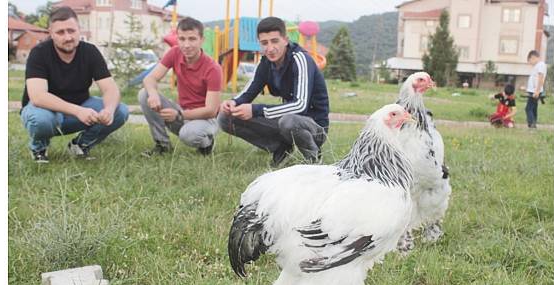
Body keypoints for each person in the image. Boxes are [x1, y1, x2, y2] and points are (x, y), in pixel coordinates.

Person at [20, 6, 128, 163]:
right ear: (51, 33)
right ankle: (39, 148)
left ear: (79, 29)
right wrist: (78, 111)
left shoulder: (90, 52)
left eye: (71, 31)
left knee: (120, 111)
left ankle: (80, 145)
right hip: (46, 112)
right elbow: (38, 97)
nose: (68, 37)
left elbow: (110, 88)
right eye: (60, 32)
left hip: (79, 107)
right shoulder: (39, 53)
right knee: (41, 120)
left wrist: (109, 110)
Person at [217, 16, 330, 167]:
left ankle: (313, 158)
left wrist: (255, 110)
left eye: (275, 41)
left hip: (314, 127)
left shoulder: (301, 59)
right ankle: (280, 148)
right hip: (287, 121)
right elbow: (249, 92)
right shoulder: (265, 63)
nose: (270, 48)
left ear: (285, 40)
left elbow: (300, 105)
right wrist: (233, 102)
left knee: (288, 121)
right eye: (264, 43)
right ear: (259, 44)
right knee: (225, 117)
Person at [139, 17, 222, 157]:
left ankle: (207, 144)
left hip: (206, 119)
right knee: (144, 94)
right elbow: (150, 78)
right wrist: (153, 94)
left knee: (188, 134)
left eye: (192, 39)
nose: (186, 45)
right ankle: (162, 145)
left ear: (202, 40)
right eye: (182, 39)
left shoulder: (213, 68)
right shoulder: (175, 53)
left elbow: (212, 110)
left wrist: (179, 115)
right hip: (182, 112)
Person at [525, 50, 547, 129]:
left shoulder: (541, 64)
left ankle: (531, 124)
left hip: (535, 91)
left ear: (533, 57)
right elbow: (534, 78)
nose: (530, 63)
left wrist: (537, 91)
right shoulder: (538, 66)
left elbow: (540, 78)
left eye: (530, 61)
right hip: (533, 90)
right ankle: (533, 124)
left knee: (528, 108)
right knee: (533, 108)